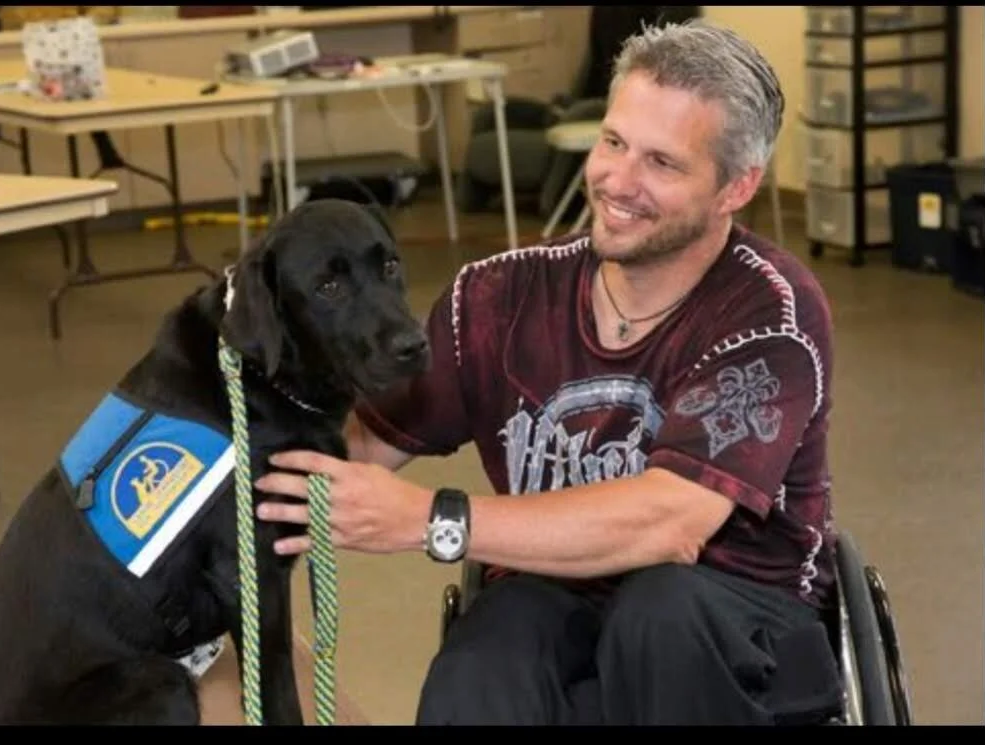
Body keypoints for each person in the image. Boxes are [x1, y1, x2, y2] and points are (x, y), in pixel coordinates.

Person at [255, 19, 844, 726]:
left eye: (661, 163)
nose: (616, 182)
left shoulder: (767, 313)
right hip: (553, 594)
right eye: (613, 142)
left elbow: (670, 523)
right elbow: (348, 450)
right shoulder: (496, 298)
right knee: (484, 660)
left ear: (735, 187)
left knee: (660, 613)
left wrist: (430, 519)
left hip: (731, 613)